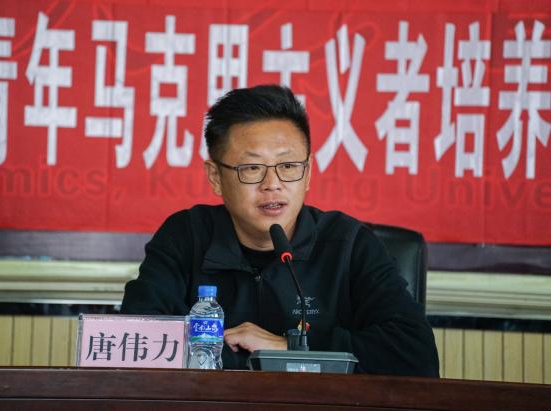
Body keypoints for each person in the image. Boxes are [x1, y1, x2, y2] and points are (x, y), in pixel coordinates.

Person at [121, 84, 439, 376]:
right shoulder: (185, 237)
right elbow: (135, 340)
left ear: (308, 173)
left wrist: (289, 349)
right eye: (252, 168)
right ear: (216, 177)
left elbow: (416, 354)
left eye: (288, 166)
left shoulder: (348, 243)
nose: (272, 184)